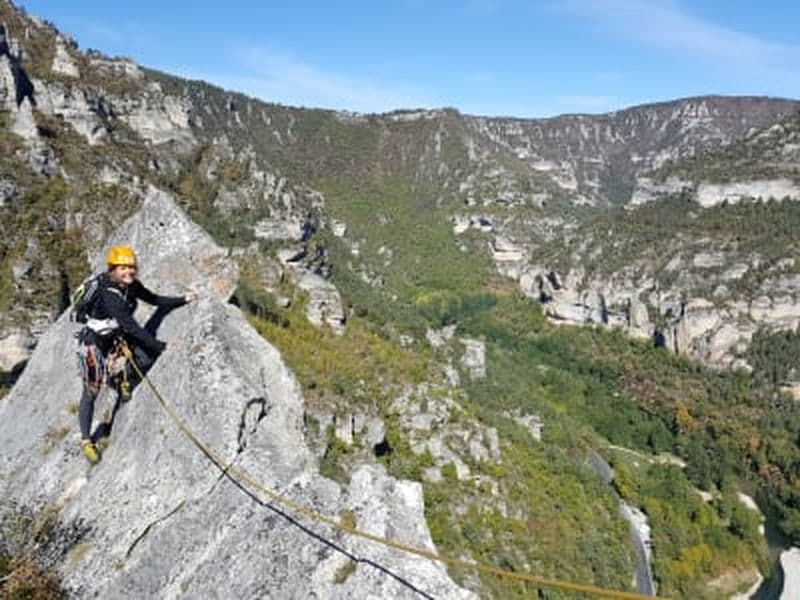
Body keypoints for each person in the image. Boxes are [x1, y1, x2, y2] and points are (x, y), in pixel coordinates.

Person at [76, 245, 196, 464]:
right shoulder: (108, 295)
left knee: (142, 355)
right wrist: (161, 346)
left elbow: (154, 299)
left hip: (114, 337)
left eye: (131, 268)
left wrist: (182, 300)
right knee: (91, 391)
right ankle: (86, 439)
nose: (128, 272)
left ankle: (121, 379)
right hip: (94, 343)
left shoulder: (131, 287)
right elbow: (131, 327)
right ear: (113, 269)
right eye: (123, 268)